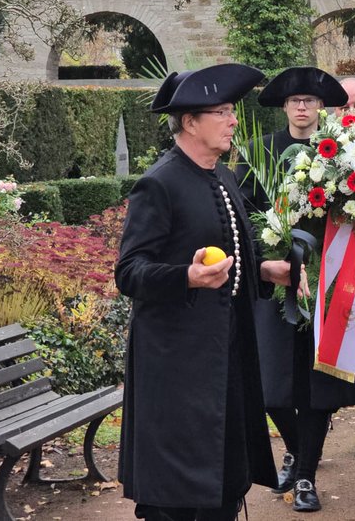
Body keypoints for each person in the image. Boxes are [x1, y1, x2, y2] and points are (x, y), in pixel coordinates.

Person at [117, 64, 301, 521]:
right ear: (190, 122)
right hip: (177, 365)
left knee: (223, 476)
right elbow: (129, 272)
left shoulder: (222, 177)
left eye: (232, 111)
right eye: (221, 112)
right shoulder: (159, 183)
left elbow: (235, 254)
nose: (233, 120)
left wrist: (267, 270)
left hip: (226, 354)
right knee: (178, 487)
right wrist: (186, 277)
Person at [241, 66, 355, 511]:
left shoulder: (341, 153)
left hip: (328, 280)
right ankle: (296, 449)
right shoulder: (258, 152)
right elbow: (244, 213)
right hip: (277, 278)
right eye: (294, 101)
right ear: (284, 107)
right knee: (271, 385)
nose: (302, 107)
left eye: (309, 101)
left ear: (322, 107)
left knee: (317, 386)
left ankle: (305, 476)